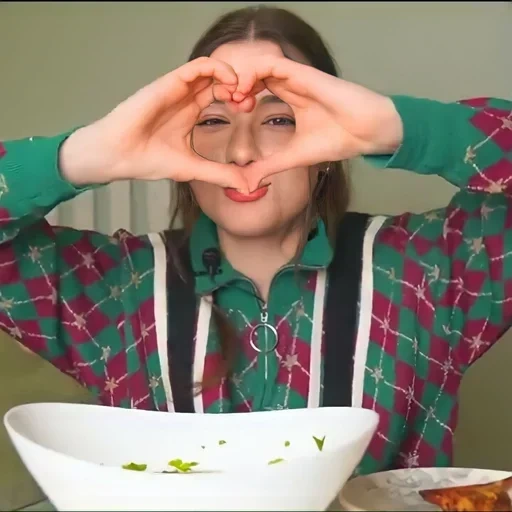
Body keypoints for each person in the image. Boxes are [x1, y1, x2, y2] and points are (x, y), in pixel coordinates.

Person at [0, 5, 510, 477]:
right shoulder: (110, 287)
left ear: (332, 144)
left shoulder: (435, 267)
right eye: (213, 120)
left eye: (278, 119)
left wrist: (392, 127)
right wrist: (86, 155)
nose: (241, 150)